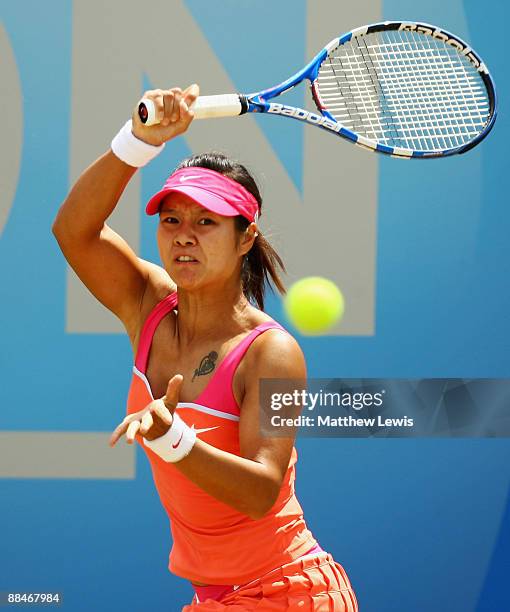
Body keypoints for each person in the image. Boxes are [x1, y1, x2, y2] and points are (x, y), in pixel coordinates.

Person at [52, 84, 358, 611]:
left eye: (205, 222)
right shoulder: (147, 303)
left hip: (291, 594)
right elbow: (74, 231)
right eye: (171, 220)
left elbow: (262, 489)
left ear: (245, 238)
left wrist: (174, 437)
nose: (183, 236)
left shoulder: (272, 353)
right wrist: (138, 143)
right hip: (215, 598)